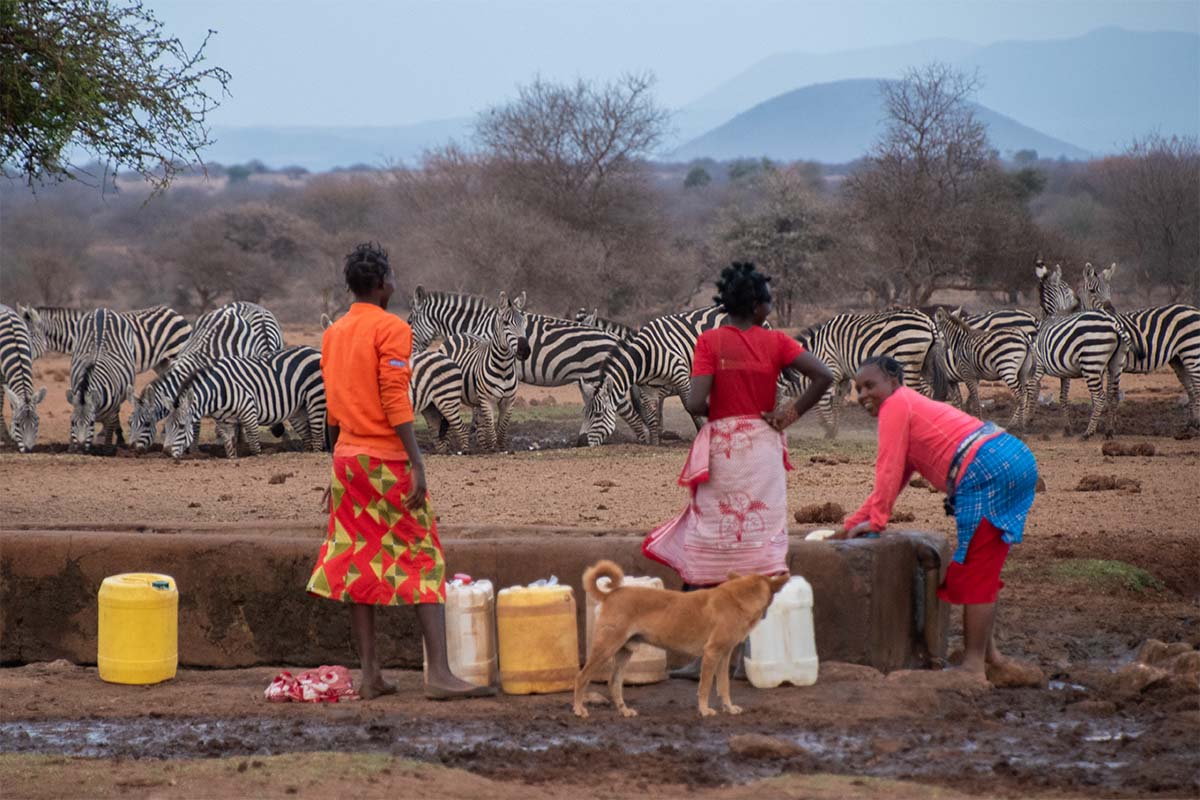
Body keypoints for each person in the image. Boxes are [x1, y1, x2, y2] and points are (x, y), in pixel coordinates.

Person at [306, 242, 494, 701]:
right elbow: (394, 398)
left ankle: (371, 675)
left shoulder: (334, 334)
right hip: (385, 460)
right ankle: (441, 676)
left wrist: (336, 469)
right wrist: (417, 461)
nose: (395, 283)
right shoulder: (392, 329)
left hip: (348, 460)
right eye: (392, 276)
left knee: (357, 560)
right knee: (424, 555)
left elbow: (332, 409)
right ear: (383, 282)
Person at [642, 263, 833, 676]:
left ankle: (706, 657)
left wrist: (720, 410)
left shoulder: (709, 341)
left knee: (711, 538)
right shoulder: (777, 342)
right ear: (760, 306)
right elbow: (824, 375)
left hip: (724, 450)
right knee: (759, 541)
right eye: (767, 301)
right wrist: (788, 413)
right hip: (763, 448)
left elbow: (694, 403)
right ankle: (752, 653)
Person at [839, 355, 1038, 677]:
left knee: (977, 572)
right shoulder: (907, 405)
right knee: (981, 565)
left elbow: (886, 470)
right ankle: (990, 657)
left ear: (893, 381)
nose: (861, 394)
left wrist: (875, 524)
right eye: (857, 388)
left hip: (987, 469)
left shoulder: (895, 407)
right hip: (1004, 457)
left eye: (869, 385)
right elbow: (894, 480)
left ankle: (973, 666)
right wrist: (850, 526)